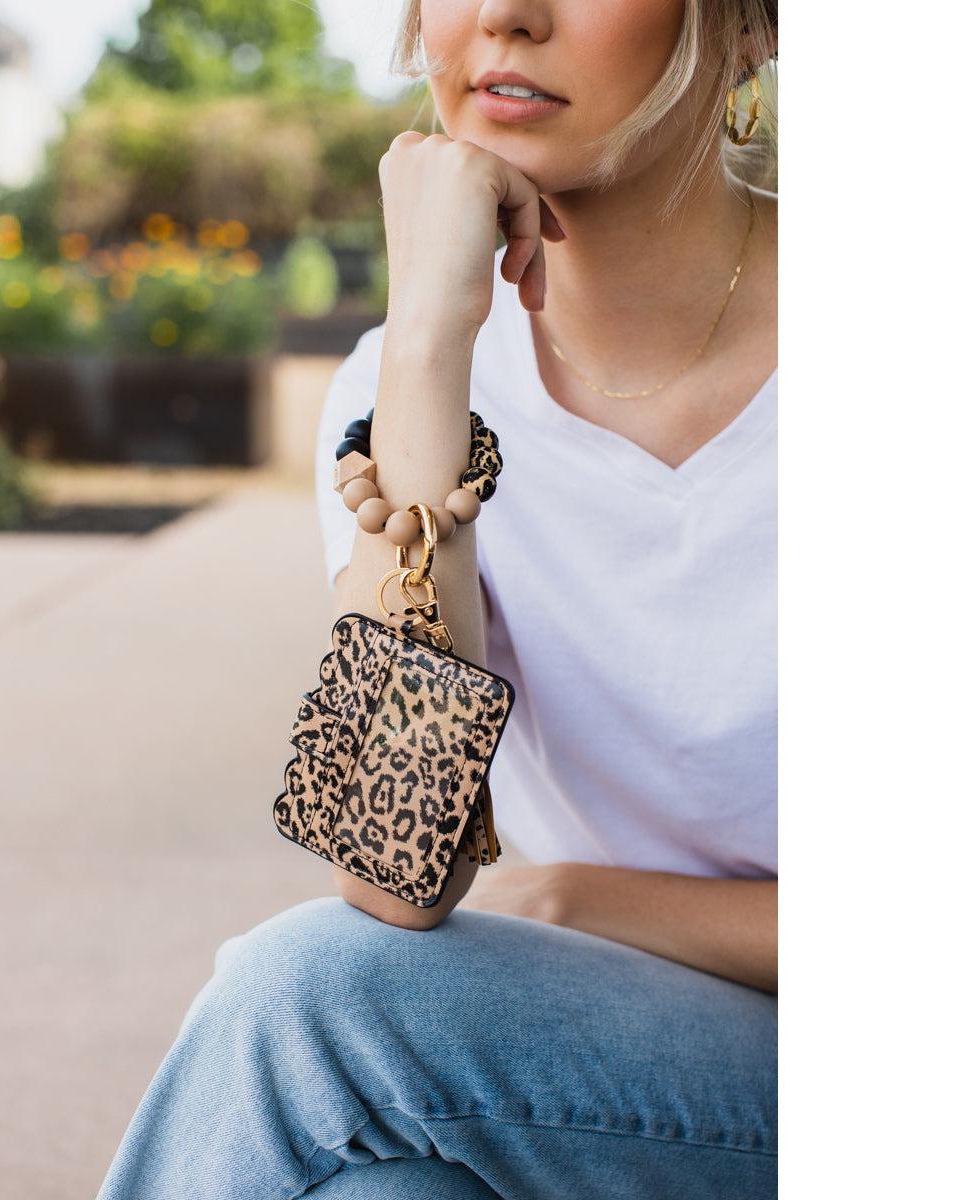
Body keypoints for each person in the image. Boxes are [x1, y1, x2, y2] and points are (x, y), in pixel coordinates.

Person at [97, 1, 778, 1196]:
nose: (507, 14)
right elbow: (389, 873)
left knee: (309, 993)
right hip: (598, 1052)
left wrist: (573, 895)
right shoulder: (403, 386)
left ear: (750, 26)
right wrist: (426, 338)